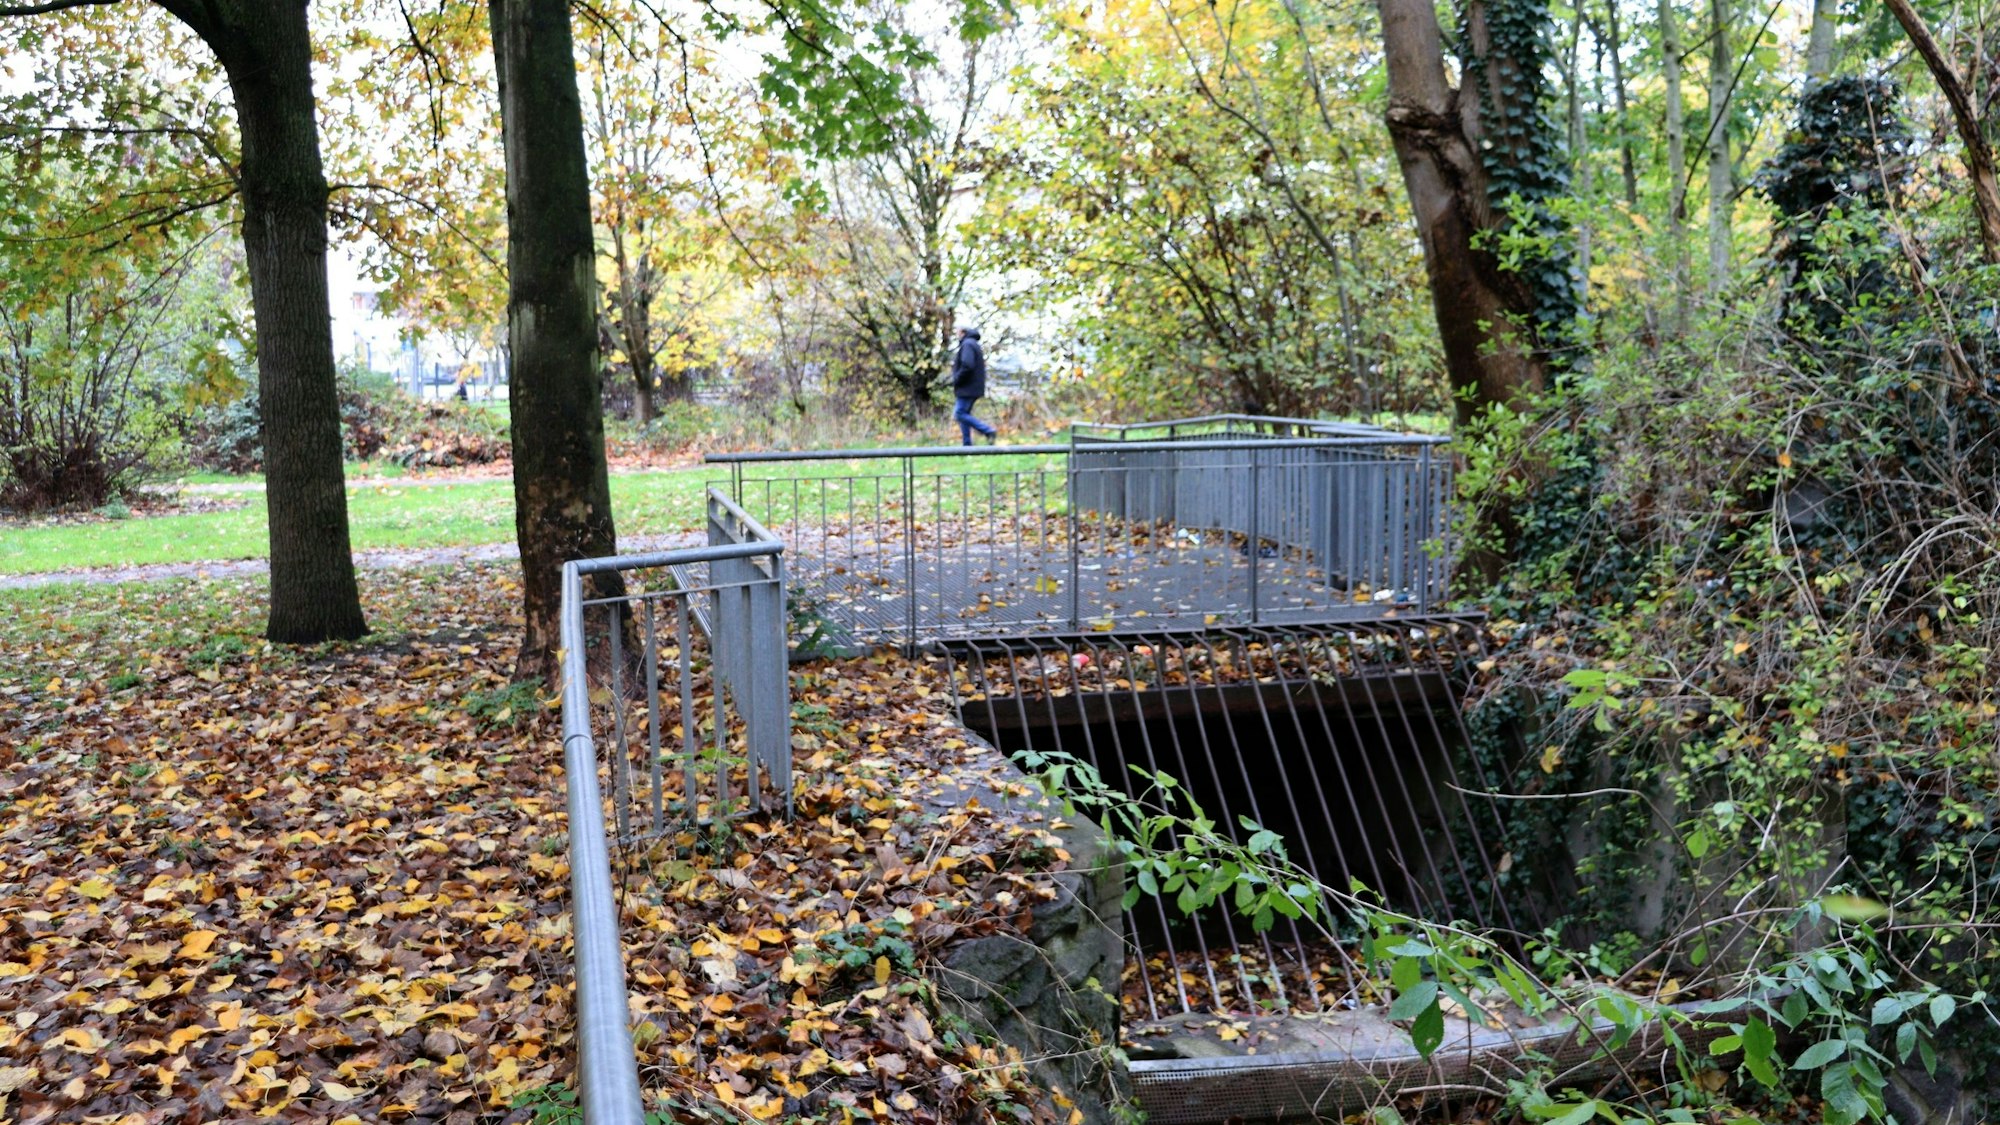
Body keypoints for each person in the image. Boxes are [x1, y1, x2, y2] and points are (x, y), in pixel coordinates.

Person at [949, 326, 997, 446]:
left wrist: (957, 379)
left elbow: (967, 365)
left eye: (958, 332)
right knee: (964, 414)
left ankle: (987, 431)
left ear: (963, 332)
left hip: (967, 387)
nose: (956, 335)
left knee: (959, 413)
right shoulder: (972, 344)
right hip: (971, 387)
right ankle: (967, 445)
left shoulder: (967, 344)